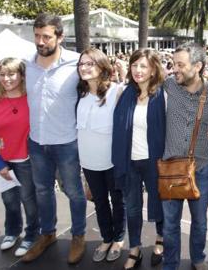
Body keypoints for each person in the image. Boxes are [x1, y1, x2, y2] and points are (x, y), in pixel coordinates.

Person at [21, 13, 87, 264]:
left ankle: (78, 236)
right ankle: (47, 234)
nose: (40, 41)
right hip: (37, 142)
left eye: (46, 36)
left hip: (67, 142)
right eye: (37, 36)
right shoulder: (27, 64)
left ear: (60, 37)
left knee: (74, 191)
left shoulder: (76, 63)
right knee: (42, 191)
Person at [161, 43, 208, 270]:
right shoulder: (168, 86)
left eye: (180, 65)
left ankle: (198, 258)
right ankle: (170, 263)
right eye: (173, 63)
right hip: (171, 167)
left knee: (200, 222)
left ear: (197, 66)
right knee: (170, 224)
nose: (174, 69)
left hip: (203, 169)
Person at [0, 57, 39, 257]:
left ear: (21, 75)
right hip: (1, 162)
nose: (6, 78)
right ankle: (12, 232)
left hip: (26, 161)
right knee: (9, 200)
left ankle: (32, 235)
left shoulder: (32, 98)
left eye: (11, 73)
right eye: (2, 74)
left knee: (29, 201)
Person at [112, 48, 165, 269]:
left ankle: (160, 238)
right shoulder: (124, 93)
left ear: (153, 69)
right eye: (134, 65)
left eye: (143, 65)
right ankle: (134, 248)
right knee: (132, 207)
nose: (138, 70)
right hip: (129, 162)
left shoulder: (163, 95)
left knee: (159, 202)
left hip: (154, 162)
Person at [76, 48, 126, 262]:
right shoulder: (79, 94)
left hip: (112, 162)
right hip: (88, 161)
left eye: (90, 63)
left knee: (118, 201)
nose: (84, 68)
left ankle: (119, 238)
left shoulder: (116, 91)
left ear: (102, 66)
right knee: (99, 202)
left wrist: (124, 73)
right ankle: (106, 238)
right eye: (81, 64)